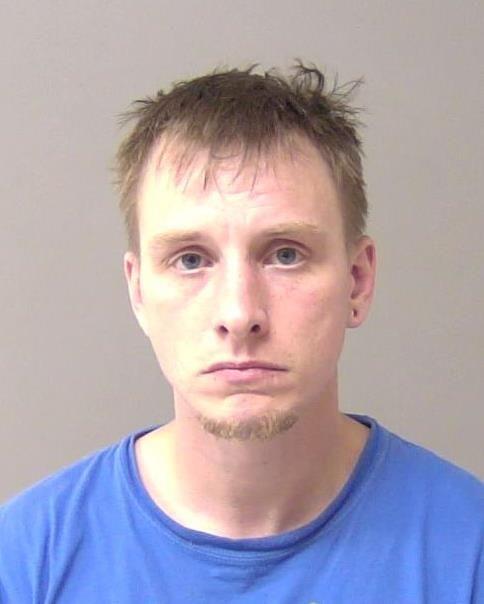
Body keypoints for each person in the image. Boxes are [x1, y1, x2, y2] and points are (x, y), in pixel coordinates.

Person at [0, 62, 482, 603]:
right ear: (138, 292)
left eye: (285, 255)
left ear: (358, 280)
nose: (238, 312)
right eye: (190, 260)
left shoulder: (470, 552)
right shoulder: (24, 563)